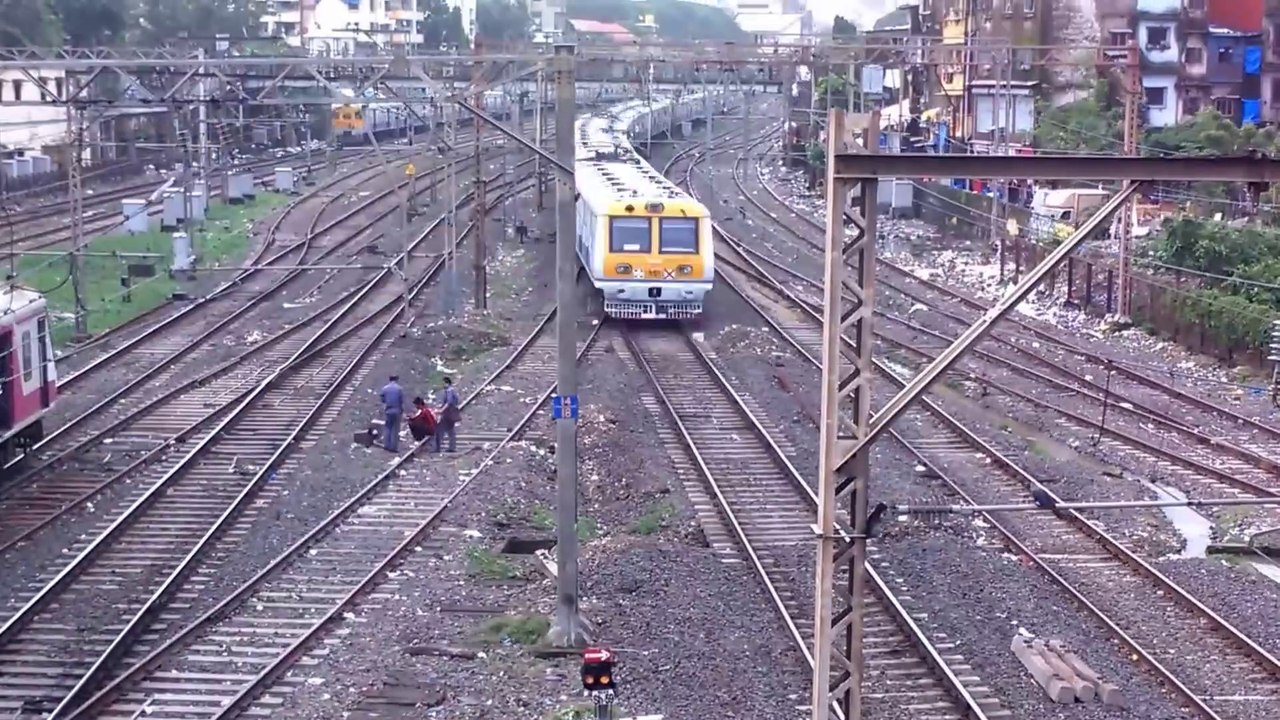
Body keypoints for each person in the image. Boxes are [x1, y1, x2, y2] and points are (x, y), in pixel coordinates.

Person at [434, 376, 461, 453]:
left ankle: (438, 448)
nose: (442, 385)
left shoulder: (449, 390)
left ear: (447, 383)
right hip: (450, 413)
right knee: (450, 430)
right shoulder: (451, 390)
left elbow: (448, 402)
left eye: (443, 383)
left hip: (448, 414)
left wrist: (441, 410)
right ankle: (452, 447)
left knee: (439, 429)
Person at [379, 374, 404, 452]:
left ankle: (387, 445)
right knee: (395, 429)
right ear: (396, 379)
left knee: (388, 428)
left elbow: (382, 399)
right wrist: (402, 410)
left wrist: (386, 403)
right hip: (396, 410)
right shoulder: (399, 389)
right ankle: (393, 447)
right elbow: (401, 401)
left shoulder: (384, 388)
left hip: (388, 410)